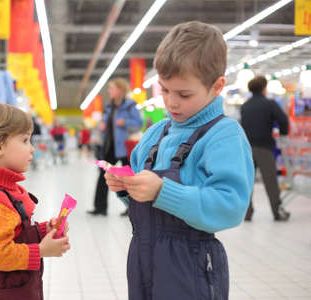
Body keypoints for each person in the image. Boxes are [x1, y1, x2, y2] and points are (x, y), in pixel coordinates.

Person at [105, 21, 254, 300]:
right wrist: (126, 188)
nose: (171, 103)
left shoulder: (223, 135)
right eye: (164, 90)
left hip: (191, 267)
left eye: (184, 94)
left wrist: (163, 191)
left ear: (217, 86)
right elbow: (142, 201)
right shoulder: (154, 135)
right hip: (142, 259)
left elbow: (231, 206)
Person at [0, 103, 70, 300]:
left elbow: (16, 232)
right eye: (25, 140)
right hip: (0, 292)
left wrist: (45, 229)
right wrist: (42, 250)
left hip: (13, 287)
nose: (32, 149)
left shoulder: (7, 189)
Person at [88, 77, 142, 216]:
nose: (109, 91)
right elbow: (105, 123)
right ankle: (100, 207)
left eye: (112, 88)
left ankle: (132, 208)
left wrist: (125, 122)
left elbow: (138, 124)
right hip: (109, 147)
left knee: (128, 178)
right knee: (103, 175)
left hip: (125, 148)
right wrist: (102, 126)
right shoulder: (109, 107)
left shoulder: (130, 106)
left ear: (120, 90)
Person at [241, 76, 290, 221]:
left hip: (247, 147)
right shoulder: (269, 104)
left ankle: (247, 213)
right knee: (270, 181)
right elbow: (283, 119)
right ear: (264, 88)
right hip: (264, 147)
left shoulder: (245, 106)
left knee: (247, 181)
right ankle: (277, 212)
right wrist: (283, 134)